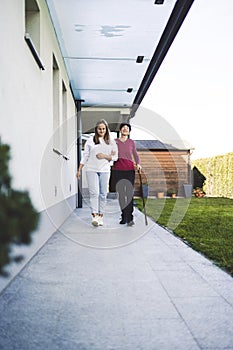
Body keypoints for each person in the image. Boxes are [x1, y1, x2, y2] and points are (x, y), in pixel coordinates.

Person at [76, 119, 118, 226]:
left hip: (105, 170)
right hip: (91, 169)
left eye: (103, 128)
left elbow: (115, 157)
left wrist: (104, 156)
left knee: (103, 194)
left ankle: (101, 216)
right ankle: (94, 216)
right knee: (94, 193)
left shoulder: (111, 142)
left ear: (106, 130)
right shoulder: (90, 141)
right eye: (100, 128)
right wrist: (79, 170)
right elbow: (85, 156)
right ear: (96, 129)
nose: (101, 130)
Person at [112, 122, 141, 226]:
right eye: (123, 128)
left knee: (129, 194)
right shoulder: (114, 142)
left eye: (127, 128)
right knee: (121, 195)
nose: (125, 129)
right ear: (120, 130)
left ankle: (130, 217)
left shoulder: (131, 142)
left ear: (129, 131)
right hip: (118, 170)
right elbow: (111, 153)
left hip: (129, 171)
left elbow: (136, 155)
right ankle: (124, 216)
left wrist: (138, 164)